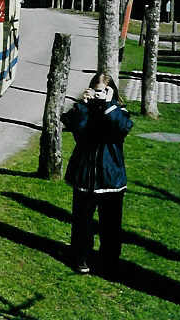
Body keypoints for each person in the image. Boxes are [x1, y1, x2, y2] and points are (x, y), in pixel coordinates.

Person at [62, 72, 133, 275]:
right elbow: (76, 130)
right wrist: (83, 104)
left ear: (111, 92)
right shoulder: (85, 108)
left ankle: (109, 263)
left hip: (111, 178)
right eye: (96, 90)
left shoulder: (119, 111)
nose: (98, 95)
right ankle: (80, 257)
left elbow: (122, 128)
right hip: (85, 176)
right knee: (82, 223)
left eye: (102, 91)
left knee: (111, 226)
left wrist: (109, 104)